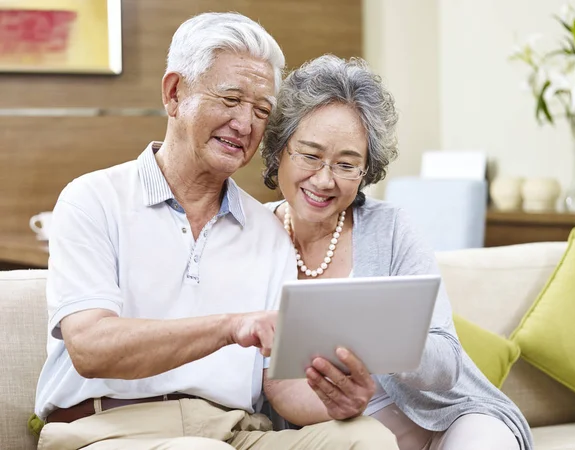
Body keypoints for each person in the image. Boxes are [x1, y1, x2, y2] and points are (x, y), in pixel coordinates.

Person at [34, 13, 399, 450]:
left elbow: (281, 387)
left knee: (366, 437)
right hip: (108, 429)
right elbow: (91, 348)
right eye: (230, 99)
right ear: (174, 93)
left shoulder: (266, 231)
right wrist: (230, 327)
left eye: (261, 109)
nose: (245, 124)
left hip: (234, 434)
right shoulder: (93, 199)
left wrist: (341, 399)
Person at [261, 54, 534, 450]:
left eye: (346, 164)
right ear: (280, 150)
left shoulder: (390, 228)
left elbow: (446, 363)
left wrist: (376, 334)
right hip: (341, 436)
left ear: (365, 170)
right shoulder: (251, 235)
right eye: (310, 155)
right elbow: (264, 385)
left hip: (448, 419)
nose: (324, 179)